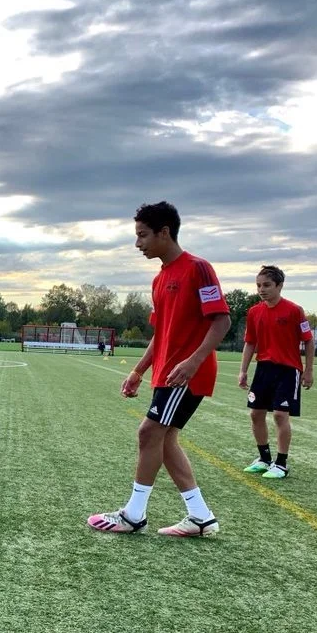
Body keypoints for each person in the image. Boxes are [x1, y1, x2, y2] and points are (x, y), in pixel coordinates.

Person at [88, 201, 230, 537]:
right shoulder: (160, 279)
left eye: (143, 236)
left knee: (148, 433)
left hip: (187, 375)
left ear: (164, 232)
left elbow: (222, 321)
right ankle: (200, 517)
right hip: (166, 373)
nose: (138, 244)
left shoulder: (198, 268)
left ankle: (134, 514)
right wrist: (138, 371)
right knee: (165, 441)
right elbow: (159, 332)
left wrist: (193, 361)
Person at [239, 265, 314, 479]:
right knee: (255, 414)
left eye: (267, 285)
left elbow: (308, 341)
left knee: (281, 415)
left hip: (288, 370)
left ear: (280, 286)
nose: (261, 290)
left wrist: (308, 370)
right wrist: (243, 370)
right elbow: (250, 342)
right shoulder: (254, 312)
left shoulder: (294, 310)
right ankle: (264, 459)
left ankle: (281, 463)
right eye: (258, 285)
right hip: (263, 368)